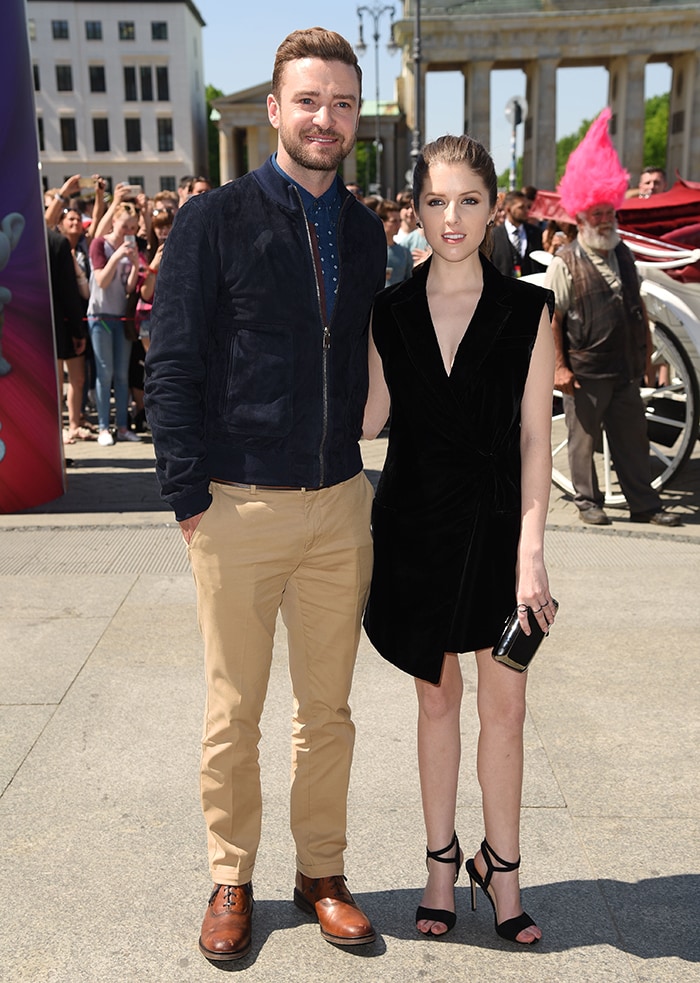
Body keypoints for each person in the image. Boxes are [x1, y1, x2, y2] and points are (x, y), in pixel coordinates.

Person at [144, 27, 386, 962]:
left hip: (337, 503)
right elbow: (172, 361)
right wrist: (184, 494)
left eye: (342, 103)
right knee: (232, 707)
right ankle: (231, 874)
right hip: (235, 504)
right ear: (274, 110)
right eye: (310, 100)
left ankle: (321, 872)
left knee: (328, 711)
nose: (326, 117)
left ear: (355, 118)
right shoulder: (214, 220)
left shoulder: (367, 234)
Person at [363, 134, 556, 946]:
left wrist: (533, 551)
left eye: (469, 200)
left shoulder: (528, 309)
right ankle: (441, 864)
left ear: (493, 207)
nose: (452, 217)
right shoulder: (390, 308)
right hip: (412, 529)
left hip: (499, 529)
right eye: (436, 201)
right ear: (415, 208)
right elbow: (370, 420)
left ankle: (502, 870)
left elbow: (536, 441)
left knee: (505, 708)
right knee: (437, 700)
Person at [544, 109, 681, 527]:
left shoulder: (624, 253)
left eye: (609, 211)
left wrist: (645, 358)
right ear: (581, 216)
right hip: (584, 372)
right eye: (597, 213)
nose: (605, 219)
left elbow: (637, 310)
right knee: (582, 442)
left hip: (623, 369)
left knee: (633, 440)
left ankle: (645, 504)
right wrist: (559, 367)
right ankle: (588, 502)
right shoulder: (564, 261)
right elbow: (552, 319)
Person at [87, 201, 141, 446]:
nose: (128, 231)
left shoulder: (130, 246)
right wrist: (118, 255)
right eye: (124, 225)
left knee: (121, 374)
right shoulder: (100, 244)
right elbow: (102, 280)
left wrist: (135, 266)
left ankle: (122, 426)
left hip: (121, 317)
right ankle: (103, 427)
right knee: (104, 372)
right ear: (114, 221)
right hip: (100, 317)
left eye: (133, 227)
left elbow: (128, 287)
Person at [490, 190, 545, 278]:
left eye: (527, 207)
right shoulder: (493, 236)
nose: (526, 211)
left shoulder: (536, 233)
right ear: (508, 209)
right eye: (521, 207)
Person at [377, 199, 413, 285]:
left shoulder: (405, 252)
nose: (398, 225)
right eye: (394, 221)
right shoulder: (371, 251)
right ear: (382, 222)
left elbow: (409, 280)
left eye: (399, 221)